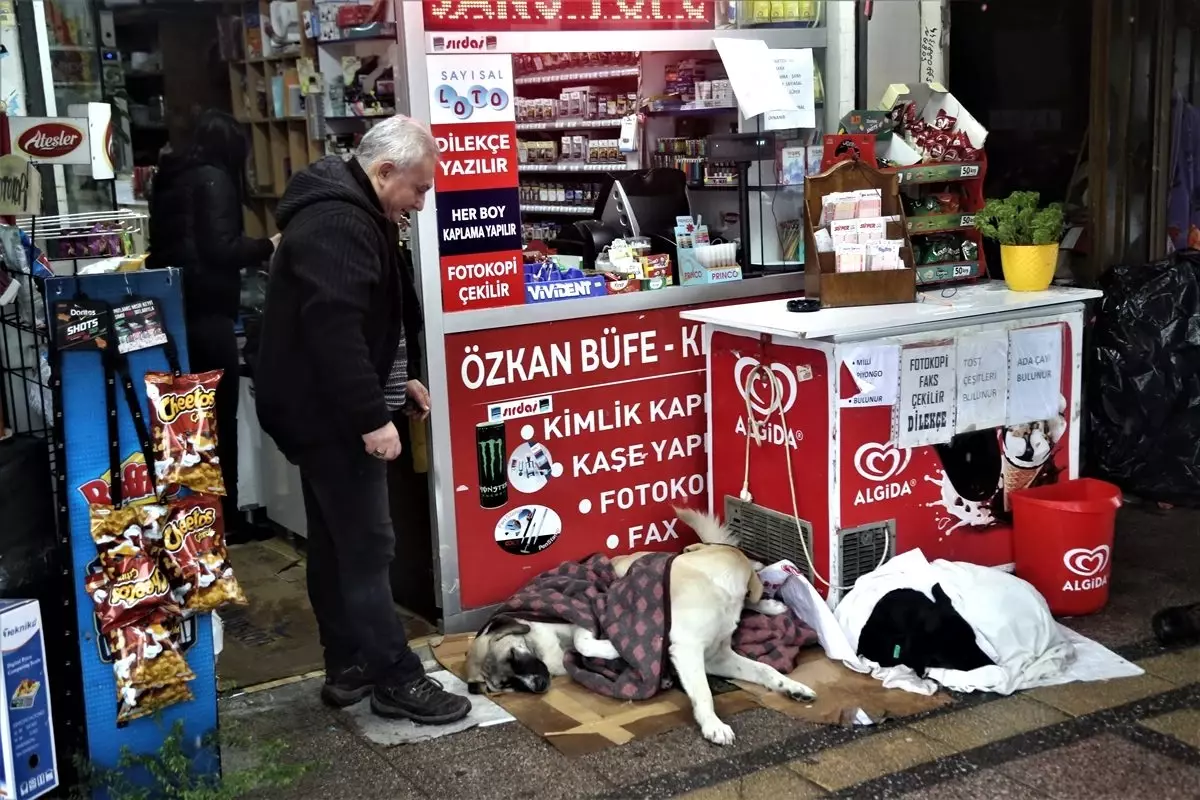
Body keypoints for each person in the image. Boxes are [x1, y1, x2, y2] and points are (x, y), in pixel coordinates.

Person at [254, 115, 470, 725]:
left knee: (335, 541)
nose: (423, 203)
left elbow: (365, 319)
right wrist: (372, 417)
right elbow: (334, 332)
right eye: (420, 189)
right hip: (329, 416)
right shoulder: (341, 221)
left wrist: (398, 381)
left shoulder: (350, 209)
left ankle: (347, 666)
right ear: (383, 172)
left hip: (315, 407)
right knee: (369, 547)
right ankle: (396, 679)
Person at [147, 109, 278, 543]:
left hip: (177, 313)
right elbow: (222, 248)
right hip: (210, 313)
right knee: (220, 418)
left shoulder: (169, 179)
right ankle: (228, 521)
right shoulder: (214, 180)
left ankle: (193, 518)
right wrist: (268, 245)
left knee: (188, 421)